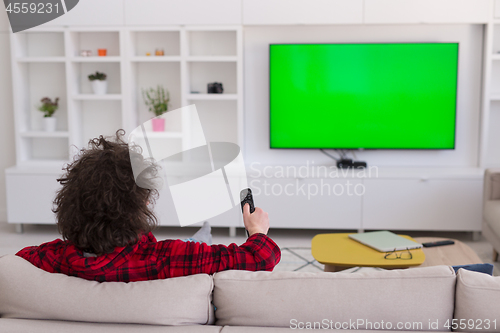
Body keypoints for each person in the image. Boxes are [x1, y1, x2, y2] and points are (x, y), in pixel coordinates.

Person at [16, 131, 281, 282]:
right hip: (171, 250)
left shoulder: (45, 258)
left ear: (69, 203)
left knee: (195, 241)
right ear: (140, 204)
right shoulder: (167, 258)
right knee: (199, 242)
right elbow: (262, 257)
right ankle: (202, 236)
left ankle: (200, 236)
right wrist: (257, 231)